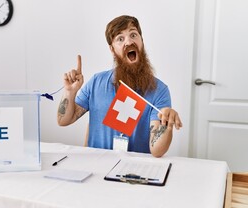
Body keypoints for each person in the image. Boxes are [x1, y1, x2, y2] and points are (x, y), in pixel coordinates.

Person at [57, 15, 182, 157]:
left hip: (134, 171)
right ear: (112, 49)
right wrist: (69, 92)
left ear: (142, 41)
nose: (129, 41)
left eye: (133, 35)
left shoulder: (159, 90)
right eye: (120, 39)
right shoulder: (96, 82)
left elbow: (156, 150)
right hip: (96, 165)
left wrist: (167, 124)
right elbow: (63, 120)